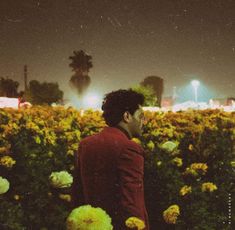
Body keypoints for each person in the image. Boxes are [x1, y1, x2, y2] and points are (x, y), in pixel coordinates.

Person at [71, 89, 149, 230]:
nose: (144, 121)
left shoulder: (85, 143)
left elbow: (78, 191)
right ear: (127, 116)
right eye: (141, 116)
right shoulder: (129, 148)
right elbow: (132, 200)